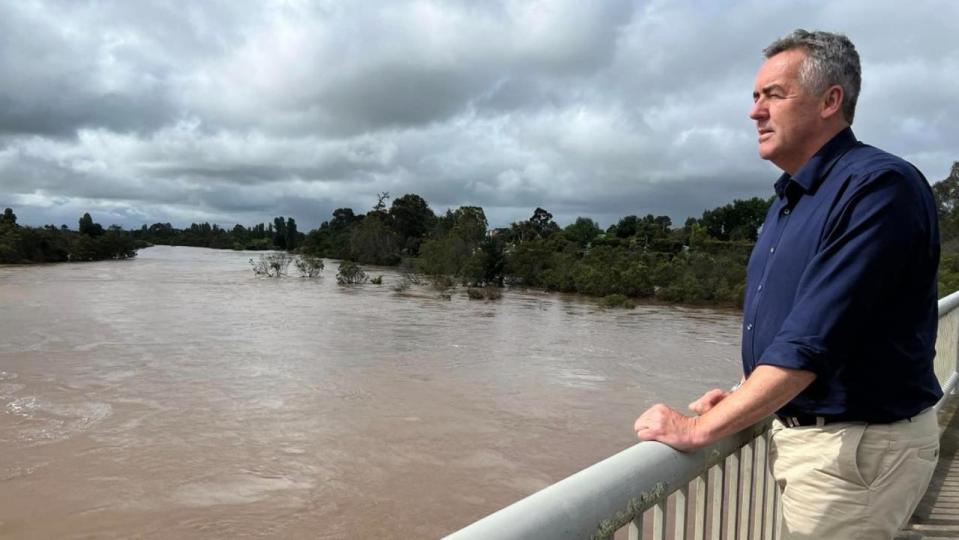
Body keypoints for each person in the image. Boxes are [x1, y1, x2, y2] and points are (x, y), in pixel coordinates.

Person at [633, 29, 942, 539]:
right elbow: (797, 322)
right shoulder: (791, 200)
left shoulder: (878, 188)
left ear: (830, 101)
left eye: (773, 95)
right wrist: (740, 397)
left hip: (853, 451)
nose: (755, 112)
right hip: (824, 445)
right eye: (755, 97)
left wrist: (698, 429)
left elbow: (814, 339)